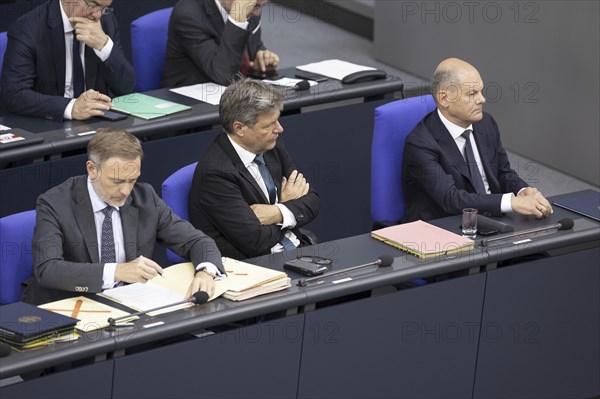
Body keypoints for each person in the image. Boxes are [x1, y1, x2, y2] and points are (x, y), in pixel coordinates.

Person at [23, 128, 223, 305]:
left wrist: (205, 272)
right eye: (117, 181)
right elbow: (47, 270)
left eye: (133, 180)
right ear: (92, 170)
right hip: (71, 306)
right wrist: (116, 271)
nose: (126, 191)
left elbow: (197, 241)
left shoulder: (144, 198)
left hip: (128, 303)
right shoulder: (55, 203)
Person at [402, 58, 553, 222]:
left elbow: (502, 172)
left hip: (492, 220)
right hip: (447, 227)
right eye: (472, 94)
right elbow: (450, 199)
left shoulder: (486, 123)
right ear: (444, 98)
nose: (482, 99)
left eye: (481, 91)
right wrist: (511, 202)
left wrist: (522, 190)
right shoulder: (420, 143)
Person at [189, 78, 319, 259]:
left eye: (277, 120)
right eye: (269, 125)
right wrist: (288, 207)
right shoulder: (216, 174)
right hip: (254, 265)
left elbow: (312, 201)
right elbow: (256, 241)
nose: (279, 129)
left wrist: (276, 211)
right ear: (240, 128)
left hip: (296, 247)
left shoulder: (271, 145)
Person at [0, 0, 135, 121]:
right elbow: (14, 94)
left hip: (96, 124)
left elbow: (126, 88)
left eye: (104, 8)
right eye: (92, 5)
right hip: (51, 124)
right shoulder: (29, 28)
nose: (97, 15)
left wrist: (104, 47)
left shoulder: (106, 22)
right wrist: (71, 107)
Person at [161, 0, 280, 88]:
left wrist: (261, 57)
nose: (257, 13)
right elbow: (223, 75)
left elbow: (252, 48)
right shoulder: (188, 14)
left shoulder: (251, 8)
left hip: (236, 94)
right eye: (256, 6)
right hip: (191, 104)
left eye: (262, 6)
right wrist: (237, 20)